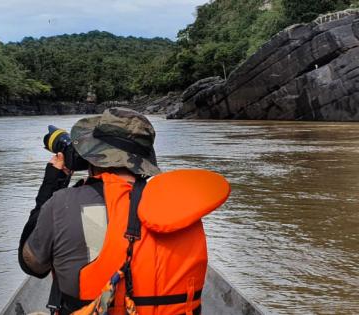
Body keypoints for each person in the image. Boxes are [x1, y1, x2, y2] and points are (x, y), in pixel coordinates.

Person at [18, 108, 228, 315]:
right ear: (143, 161)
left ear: (93, 156)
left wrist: (52, 185)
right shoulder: (182, 209)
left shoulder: (61, 204)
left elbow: (33, 266)